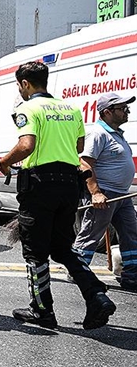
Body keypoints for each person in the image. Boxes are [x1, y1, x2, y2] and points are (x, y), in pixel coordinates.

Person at [0, 61, 115, 330]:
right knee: (62, 248)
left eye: (19, 85)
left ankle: (42, 311)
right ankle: (95, 295)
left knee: (35, 252)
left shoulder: (27, 108)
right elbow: (78, 148)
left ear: (25, 84)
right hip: (68, 186)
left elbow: (27, 145)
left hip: (40, 186)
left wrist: (5, 163)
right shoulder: (70, 108)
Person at [73, 92, 136, 291]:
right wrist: (95, 192)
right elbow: (84, 163)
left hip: (122, 195)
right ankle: (77, 270)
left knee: (132, 233)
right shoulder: (98, 133)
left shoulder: (117, 134)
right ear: (107, 112)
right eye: (122, 109)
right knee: (91, 235)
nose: (127, 111)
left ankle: (132, 275)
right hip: (105, 194)